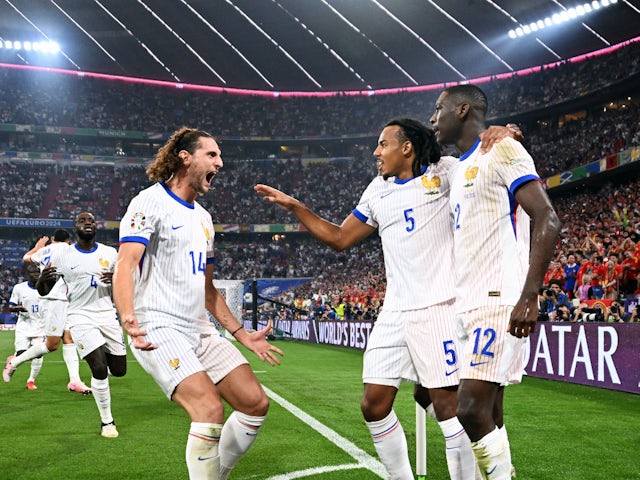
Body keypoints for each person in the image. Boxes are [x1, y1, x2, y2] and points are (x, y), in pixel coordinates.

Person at [256, 118, 518, 480]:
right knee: (373, 404)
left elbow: (488, 166)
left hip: (439, 305)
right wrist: (296, 207)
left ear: (406, 147)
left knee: (448, 407)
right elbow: (339, 238)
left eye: (383, 144)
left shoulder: (447, 172)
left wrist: (508, 135)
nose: (376, 152)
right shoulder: (377, 190)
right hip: (394, 310)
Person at [112, 127, 283, 480]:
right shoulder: (148, 202)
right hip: (158, 324)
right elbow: (125, 264)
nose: (220, 163)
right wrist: (128, 316)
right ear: (185, 157)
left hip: (200, 328)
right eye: (212, 155)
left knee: (255, 403)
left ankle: (217, 474)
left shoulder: (204, 219)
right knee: (208, 407)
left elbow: (208, 290)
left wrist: (240, 333)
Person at [430, 84, 560, 480]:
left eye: (439, 109)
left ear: (463, 110)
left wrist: (529, 294)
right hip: (466, 304)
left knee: (468, 409)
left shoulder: (502, 150)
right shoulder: (458, 167)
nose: (434, 118)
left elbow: (548, 218)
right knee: (490, 411)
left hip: (498, 299)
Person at [36, 212, 125, 438]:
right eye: (82, 221)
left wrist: (116, 279)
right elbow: (43, 291)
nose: (88, 223)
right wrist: (41, 280)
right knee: (98, 368)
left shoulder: (110, 253)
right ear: (75, 228)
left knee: (119, 370)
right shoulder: (63, 256)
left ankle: (100, 354)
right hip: (79, 315)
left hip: (107, 315)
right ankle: (107, 422)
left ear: (96, 227)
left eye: (91, 221)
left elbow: (124, 285)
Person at [3, 229, 92, 394]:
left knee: (69, 338)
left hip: (62, 300)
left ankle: (74, 381)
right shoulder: (69, 249)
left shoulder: (44, 251)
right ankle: (14, 363)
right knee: (51, 345)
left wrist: (38, 246)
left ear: (52, 239)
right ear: (68, 240)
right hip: (54, 301)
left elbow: (25, 258)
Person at [6, 262, 45, 390]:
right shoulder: (19, 288)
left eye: (37, 272)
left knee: (38, 355)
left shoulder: (46, 288)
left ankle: (31, 381)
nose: (35, 275)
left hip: (40, 326)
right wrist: (18, 308)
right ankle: (13, 360)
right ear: (26, 274)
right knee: (22, 353)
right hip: (24, 326)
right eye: (32, 273)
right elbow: (11, 306)